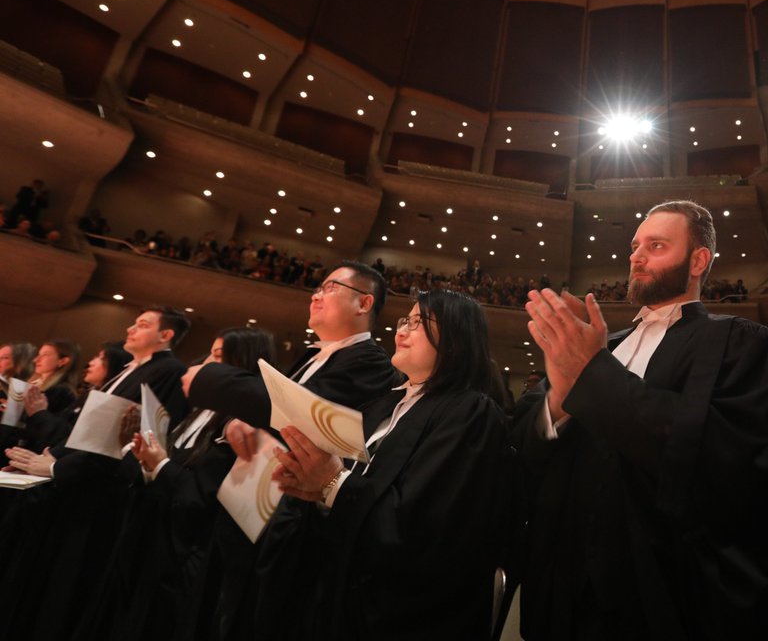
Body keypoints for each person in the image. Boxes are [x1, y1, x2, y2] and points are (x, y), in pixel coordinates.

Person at [515, 200, 768, 640]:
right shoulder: (602, 346)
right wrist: (559, 400)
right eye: (634, 246)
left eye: (657, 245)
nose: (636, 256)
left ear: (698, 260)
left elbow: (725, 454)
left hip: (665, 592)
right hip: (564, 588)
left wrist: (592, 375)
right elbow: (527, 451)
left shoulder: (741, 342)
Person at [253, 290, 511, 640]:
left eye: (419, 323)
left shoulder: (470, 413)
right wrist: (312, 484)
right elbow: (348, 486)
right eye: (405, 320)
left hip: (397, 616)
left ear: (456, 338)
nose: (400, 331)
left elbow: (426, 529)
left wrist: (332, 483)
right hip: (340, 596)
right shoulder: (382, 405)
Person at [185, 261, 399, 638]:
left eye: (331, 287)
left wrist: (212, 380)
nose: (316, 294)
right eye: (318, 287)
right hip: (249, 504)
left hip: (293, 521)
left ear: (364, 303)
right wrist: (241, 421)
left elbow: (305, 413)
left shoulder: (371, 363)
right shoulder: (310, 355)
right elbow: (275, 414)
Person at [1, 307, 191, 639]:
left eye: (143, 325)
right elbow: (87, 431)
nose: (131, 328)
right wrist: (49, 456)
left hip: (99, 493)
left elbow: (121, 439)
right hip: (78, 480)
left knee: (66, 582)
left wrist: (57, 465)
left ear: (166, 335)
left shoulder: (167, 370)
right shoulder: (134, 369)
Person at [84, 327, 276, 641]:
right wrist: (148, 461)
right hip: (152, 537)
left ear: (243, 366)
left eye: (217, 358)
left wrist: (159, 464)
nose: (202, 367)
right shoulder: (197, 411)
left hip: (185, 556)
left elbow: (203, 498)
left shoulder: (239, 425)